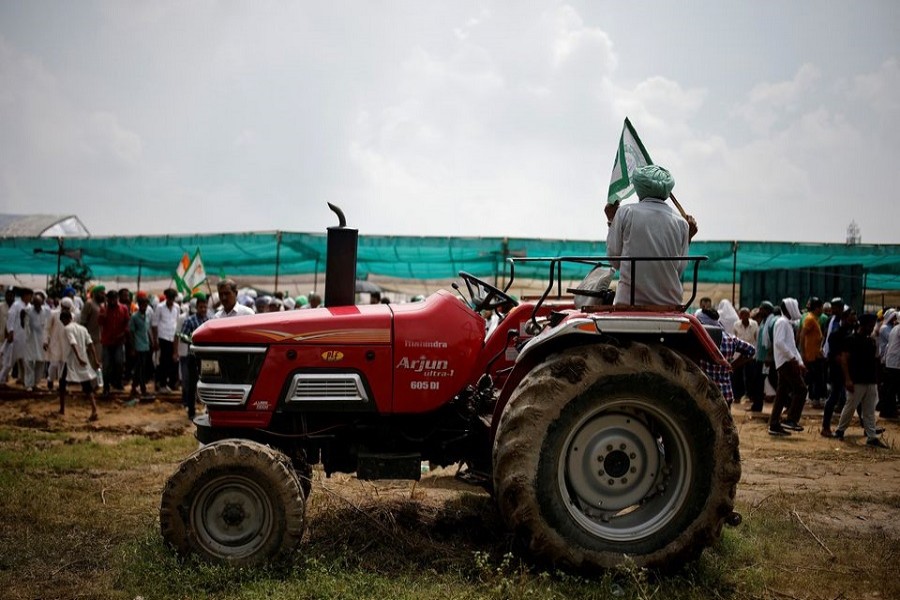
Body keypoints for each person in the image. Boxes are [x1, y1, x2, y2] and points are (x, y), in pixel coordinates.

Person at [605, 165, 698, 306]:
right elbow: (678, 269)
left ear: (639, 187)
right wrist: (688, 237)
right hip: (671, 303)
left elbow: (614, 261)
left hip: (629, 302)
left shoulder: (625, 212)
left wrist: (612, 220)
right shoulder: (681, 223)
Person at [833, 313, 889, 447]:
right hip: (856, 380)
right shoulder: (851, 340)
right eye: (870, 325)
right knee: (850, 406)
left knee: (869, 410)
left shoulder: (870, 341)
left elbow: (874, 361)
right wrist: (847, 379)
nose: (872, 328)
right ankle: (840, 430)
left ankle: (871, 436)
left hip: (870, 380)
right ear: (863, 325)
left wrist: (876, 380)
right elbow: (844, 360)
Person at [768, 298, 807, 436]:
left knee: (781, 394)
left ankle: (774, 424)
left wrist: (800, 361)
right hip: (786, 362)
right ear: (789, 309)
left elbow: (791, 346)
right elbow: (779, 343)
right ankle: (791, 419)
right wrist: (793, 359)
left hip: (786, 361)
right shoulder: (782, 322)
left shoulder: (787, 323)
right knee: (801, 389)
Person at [59, 310, 99, 421]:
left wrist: (78, 358)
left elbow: (73, 343)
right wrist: (95, 360)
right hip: (83, 359)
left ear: (65, 320)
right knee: (87, 385)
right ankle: (94, 409)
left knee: (62, 383)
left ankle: (62, 409)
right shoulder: (83, 329)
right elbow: (90, 344)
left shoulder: (67, 329)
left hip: (73, 360)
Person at [179, 293, 209, 419]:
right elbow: (182, 336)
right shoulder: (190, 320)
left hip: (206, 358)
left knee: (207, 384)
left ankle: (207, 410)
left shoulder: (209, 320)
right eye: (201, 307)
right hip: (193, 357)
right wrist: (192, 340)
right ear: (196, 307)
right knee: (192, 385)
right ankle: (191, 411)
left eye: (205, 307)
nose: (203, 310)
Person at [98, 289, 130, 396]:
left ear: (117, 299)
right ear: (108, 299)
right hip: (107, 341)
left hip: (119, 341)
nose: (112, 301)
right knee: (106, 365)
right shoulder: (104, 309)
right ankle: (106, 386)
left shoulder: (123, 308)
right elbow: (100, 322)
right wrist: (104, 314)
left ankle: (118, 382)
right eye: (110, 299)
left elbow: (127, 322)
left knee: (119, 362)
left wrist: (123, 333)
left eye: (114, 299)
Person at [0, 287, 33, 386]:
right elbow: (10, 318)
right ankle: (1, 378)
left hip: (25, 338)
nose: (30, 298)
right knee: (9, 362)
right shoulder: (16, 305)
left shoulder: (29, 306)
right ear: (24, 296)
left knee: (26, 361)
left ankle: (26, 381)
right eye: (29, 296)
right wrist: (10, 331)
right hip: (16, 337)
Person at [798, 297, 826, 409]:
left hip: (816, 355)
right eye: (821, 308)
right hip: (811, 356)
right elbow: (802, 335)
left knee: (816, 378)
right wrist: (803, 354)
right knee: (813, 379)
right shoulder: (810, 319)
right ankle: (811, 399)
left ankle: (814, 399)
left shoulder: (815, 319)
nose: (822, 310)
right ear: (817, 308)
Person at [151, 288, 180, 393]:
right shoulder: (159, 307)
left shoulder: (177, 307)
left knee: (174, 361)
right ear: (166, 297)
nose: (171, 300)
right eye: (169, 298)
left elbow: (177, 322)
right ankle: (162, 384)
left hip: (173, 337)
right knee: (164, 362)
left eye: (173, 298)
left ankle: (172, 383)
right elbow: (154, 324)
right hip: (163, 338)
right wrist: (155, 340)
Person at [44, 297, 74, 391]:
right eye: (64, 307)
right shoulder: (54, 313)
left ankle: (62, 384)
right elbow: (47, 328)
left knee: (64, 365)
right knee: (54, 364)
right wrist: (46, 340)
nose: (66, 309)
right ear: (61, 305)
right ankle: (50, 380)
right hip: (55, 342)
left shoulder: (72, 316)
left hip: (66, 343)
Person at [23, 290, 51, 391]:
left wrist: (47, 340)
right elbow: (24, 325)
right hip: (30, 339)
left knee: (41, 362)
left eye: (39, 303)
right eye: (35, 303)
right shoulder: (28, 310)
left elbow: (48, 326)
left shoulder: (47, 311)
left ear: (43, 302)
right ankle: (28, 384)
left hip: (42, 340)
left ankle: (35, 383)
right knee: (29, 362)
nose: (37, 305)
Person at [127, 292, 153, 400]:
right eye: (142, 304)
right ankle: (142, 389)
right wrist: (133, 348)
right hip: (138, 346)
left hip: (146, 345)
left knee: (140, 369)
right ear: (139, 305)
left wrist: (151, 342)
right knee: (140, 369)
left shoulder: (146, 316)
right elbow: (131, 333)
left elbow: (147, 330)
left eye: (146, 304)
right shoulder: (134, 317)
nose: (144, 306)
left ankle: (134, 387)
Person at [732, 306, 759, 404]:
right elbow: (734, 339)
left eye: (746, 314)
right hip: (739, 354)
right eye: (742, 314)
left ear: (749, 315)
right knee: (737, 376)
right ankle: (737, 396)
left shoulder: (754, 324)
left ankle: (751, 395)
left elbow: (757, 339)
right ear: (740, 316)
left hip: (750, 354)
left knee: (751, 376)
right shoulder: (736, 325)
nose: (744, 316)